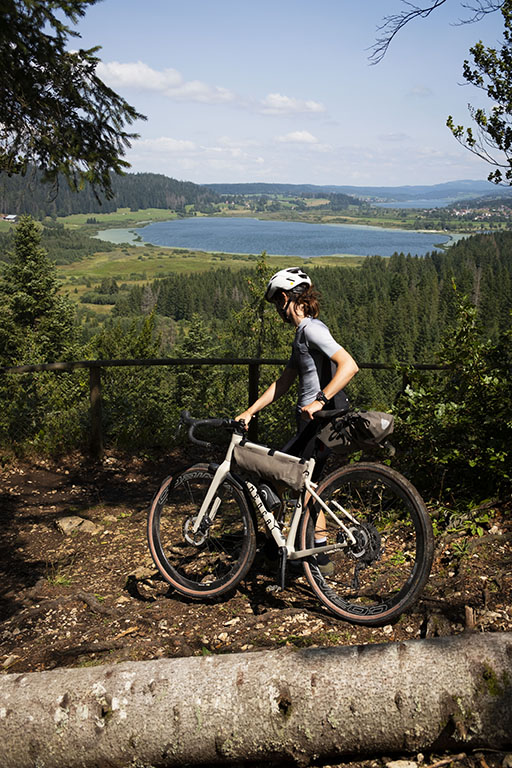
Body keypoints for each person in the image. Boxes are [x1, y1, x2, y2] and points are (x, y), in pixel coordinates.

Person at [236, 266, 359, 573]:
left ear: (283, 298)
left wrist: (320, 400)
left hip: (318, 422)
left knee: (283, 477)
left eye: (277, 303)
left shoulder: (311, 329)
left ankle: (314, 554)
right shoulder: (302, 335)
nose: (278, 311)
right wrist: (251, 411)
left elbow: (349, 365)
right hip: (311, 423)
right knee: (303, 483)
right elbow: (284, 382)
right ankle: (301, 549)